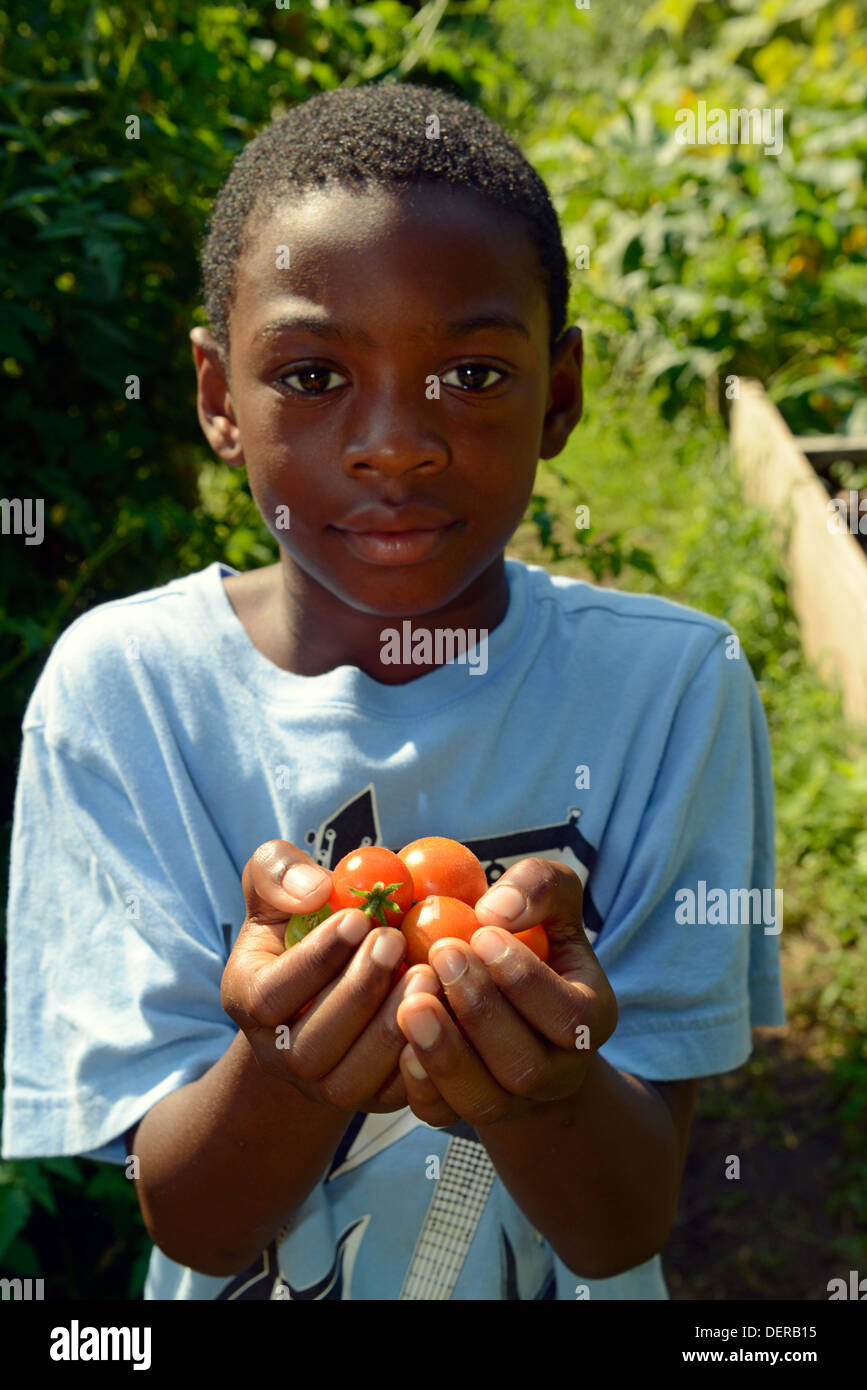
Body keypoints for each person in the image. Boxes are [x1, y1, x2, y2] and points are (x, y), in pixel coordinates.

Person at [1, 81, 786, 1300]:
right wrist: (282, 1071)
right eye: (313, 376)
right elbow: (195, 1222)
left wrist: (554, 1079)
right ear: (218, 398)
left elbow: (621, 1221)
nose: (396, 441)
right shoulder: (128, 694)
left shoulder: (675, 687)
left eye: (470, 374)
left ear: (562, 393)